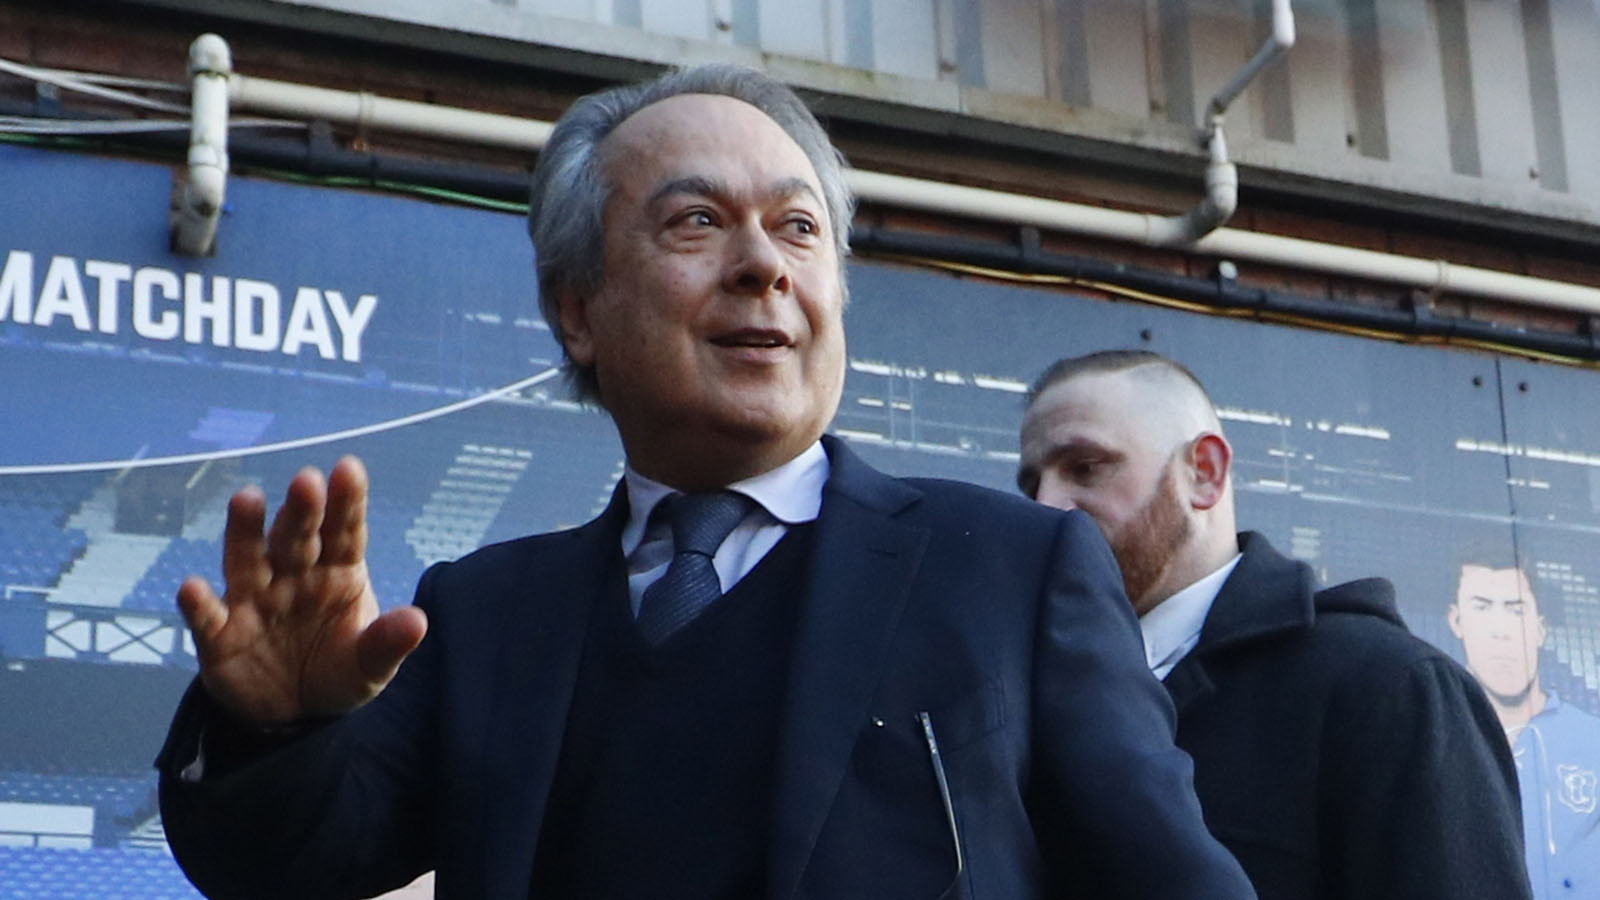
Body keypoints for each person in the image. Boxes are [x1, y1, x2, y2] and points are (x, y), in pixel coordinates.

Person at [155, 67, 1257, 900]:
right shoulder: (484, 617)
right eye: (697, 221)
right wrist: (273, 729)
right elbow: (291, 866)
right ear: (578, 312)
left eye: (798, 228)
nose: (763, 265)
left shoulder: (1011, 571)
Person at [1017, 349, 1533, 900]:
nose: (1047, 505)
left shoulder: (1387, 686)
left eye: (1086, 467)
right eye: (1031, 486)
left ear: (1204, 473)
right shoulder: (1024, 703)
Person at [1449, 545, 1600, 900]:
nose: (1501, 630)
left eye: (1515, 609)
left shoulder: (1592, 740)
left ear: (1540, 629)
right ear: (1456, 622)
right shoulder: (1434, 740)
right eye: (1482, 607)